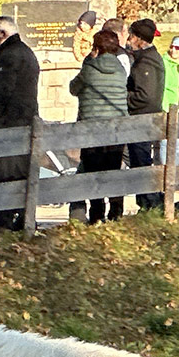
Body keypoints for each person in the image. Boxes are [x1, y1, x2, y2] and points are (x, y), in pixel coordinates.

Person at [0, 17, 40, 230]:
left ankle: (4, 218)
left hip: (7, 123)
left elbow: (1, 90)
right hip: (23, 120)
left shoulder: (9, 56)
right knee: (20, 172)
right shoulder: (25, 52)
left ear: (2, 34)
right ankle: (23, 216)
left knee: (4, 172)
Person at [68, 29, 129, 224]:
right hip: (116, 128)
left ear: (96, 48)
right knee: (113, 169)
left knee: (93, 171)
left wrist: (89, 60)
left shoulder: (89, 69)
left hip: (92, 128)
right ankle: (116, 212)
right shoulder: (120, 69)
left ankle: (96, 215)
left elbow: (73, 88)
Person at [125, 19, 166, 212]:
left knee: (141, 162)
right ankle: (148, 203)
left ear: (140, 39)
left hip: (143, 118)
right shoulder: (147, 58)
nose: (129, 39)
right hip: (146, 117)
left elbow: (146, 96)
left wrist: (124, 97)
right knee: (138, 160)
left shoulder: (146, 61)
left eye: (132, 36)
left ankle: (153, 203)